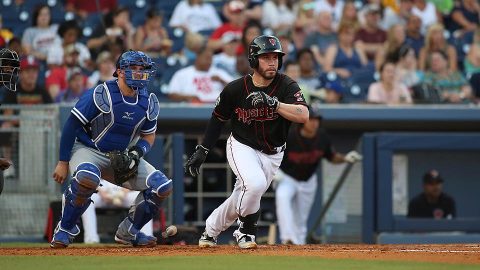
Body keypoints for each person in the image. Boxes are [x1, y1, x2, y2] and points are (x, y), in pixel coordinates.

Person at [185, 35, 309, 249]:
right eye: (266, 57)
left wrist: (274, 103)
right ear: (253, 60)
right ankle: (246, 231)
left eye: (275, 57)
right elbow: (218, 119)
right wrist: (203, 149)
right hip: (242, 145)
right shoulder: (235, 89)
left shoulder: (286, 85)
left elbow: (303, 114)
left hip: (273, 152)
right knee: (255, 184)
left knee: (244, 194)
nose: (272, 62)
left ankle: (210, 230)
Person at [50, 50, 173, 248]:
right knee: (87, 178)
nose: (139, 73)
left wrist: (136, 153)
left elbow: (148, 136)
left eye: (142, 69)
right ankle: (65, 229)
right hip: (89, 149)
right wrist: (63, 161)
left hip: (123, 156)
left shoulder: (148, 100)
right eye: (133, 68)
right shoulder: (101, 93)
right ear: (120, 72)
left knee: (162, 186)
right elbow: (71, 125)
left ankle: (129, 232)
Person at [274, 109, 362, 245]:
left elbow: (331, 157)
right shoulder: (290, 136)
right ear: (303, 121)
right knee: (282, 198)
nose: (314, 123)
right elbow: (273, 154)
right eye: (311, 119)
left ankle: (299, 243)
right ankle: (287, 238)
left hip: (308, 180)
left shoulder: (322, 137)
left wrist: (345, 158)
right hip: (287, 177)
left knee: (301, 216)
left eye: (317, 120)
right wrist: (274, 171)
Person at [81, 180, 153, 244]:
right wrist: (101, 192)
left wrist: (124, 192)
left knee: (145, 200)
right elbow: (89, 179)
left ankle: (146, 236)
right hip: (103, 192)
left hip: (123, 192)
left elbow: (134, 179)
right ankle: (91, 239)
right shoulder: (99, 165)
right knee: (87, 199)